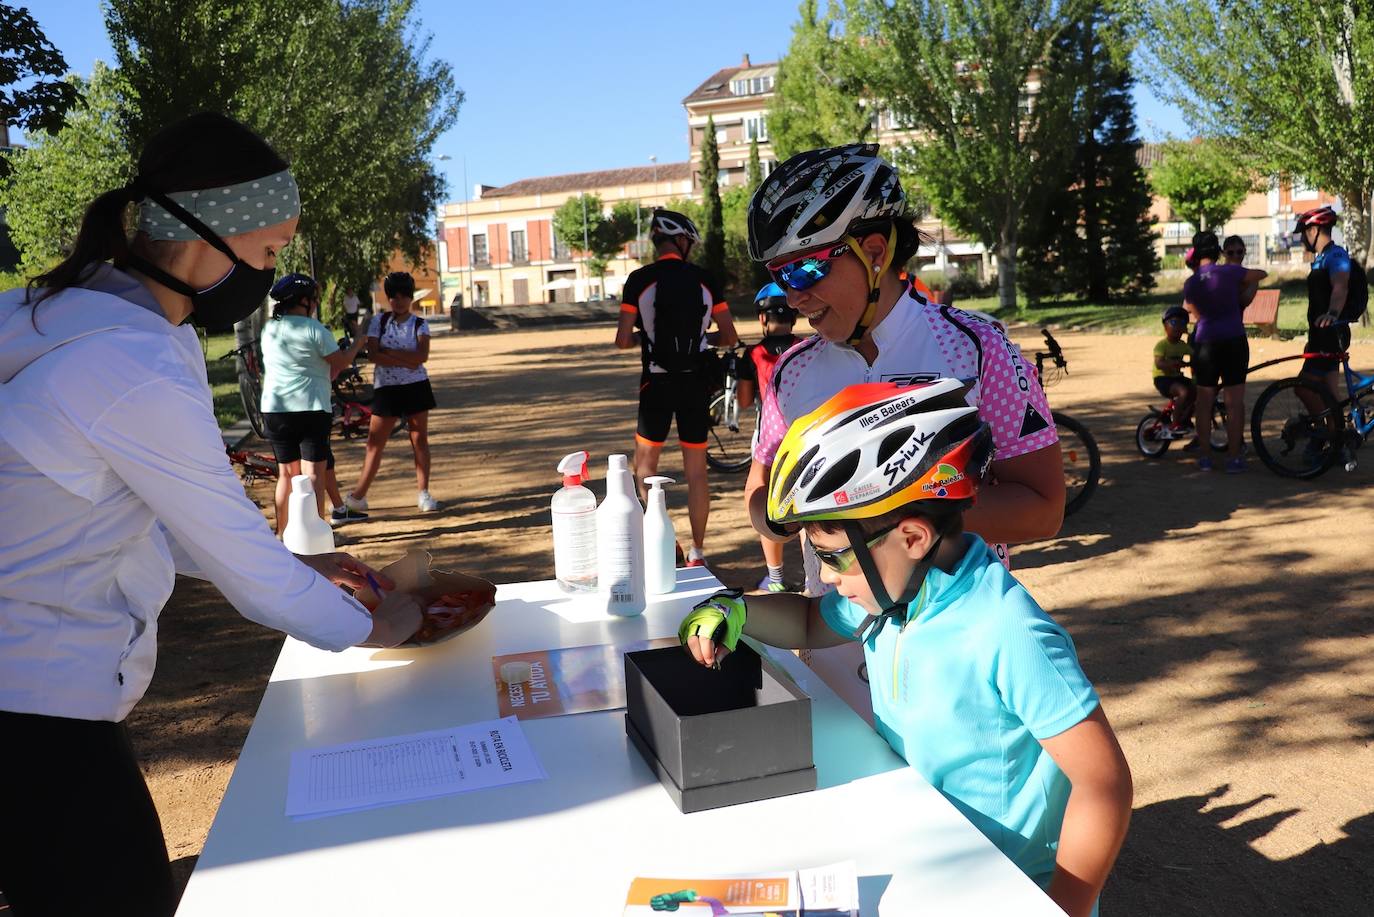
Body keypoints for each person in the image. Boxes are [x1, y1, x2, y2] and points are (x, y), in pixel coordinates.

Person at [0, 112, 423, 917]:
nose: (270, 273)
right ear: (205, 238)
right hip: (35, 704)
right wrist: (382, 625)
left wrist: (298, 565)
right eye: (266, 255)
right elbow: (245, 571)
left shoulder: (56, 309)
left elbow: (141, 512)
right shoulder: (135, 362)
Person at [678, 382, 1132, 917]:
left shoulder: (1006, 630)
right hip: (928, 855)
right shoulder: (895, 598)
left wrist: (1066, 907)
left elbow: (1104, 783)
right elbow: (805, 620)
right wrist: (737, 609)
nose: (825, 575)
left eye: (835, 556)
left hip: (1004, 885)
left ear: (913, 537)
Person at [745, 144, 1063, 585]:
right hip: (833, 630)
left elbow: (1043, 508)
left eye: (803, 271)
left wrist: (889, 515)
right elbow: (760, 495)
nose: (792, 297)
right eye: (779, 276)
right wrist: (779, 516)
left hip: (951, 631)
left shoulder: (978, 348)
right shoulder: (791, 372)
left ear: (875, 252)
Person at [615, 209, 738, 567]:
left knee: (645, 467)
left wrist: (649, 338)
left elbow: (622, 339)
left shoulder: (638, 280)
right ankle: (698, 552)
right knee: (696, 472)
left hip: (655, 383)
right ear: (682, 241)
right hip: (694, 383)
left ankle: (662, 537)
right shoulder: (704, 279)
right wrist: (701, 339)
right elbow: (729, 336)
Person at [260, 272, 366, 533]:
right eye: (314, 299)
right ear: (304, 301)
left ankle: (283, 536)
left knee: (286, 475)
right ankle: (315, 538)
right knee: (312, 476)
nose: (316, 304)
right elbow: (340, 363)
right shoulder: (315, 329)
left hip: (275, 409)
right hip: (311, 408)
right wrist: (358, 343)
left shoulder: (269, 329)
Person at [344, 270, 439, 514]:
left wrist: (391, 353)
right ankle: (359, 495)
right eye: (394, 297)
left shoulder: (420, 324)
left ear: (411, 297)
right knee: (375, 443)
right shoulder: (379, 322)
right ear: (388, 298)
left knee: (419, 440)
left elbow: (422, 356)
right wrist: (406, 359)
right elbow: (374, 355)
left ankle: (424, 492)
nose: (399, 301)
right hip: (387, 388)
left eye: (404, 296)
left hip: (416, 386)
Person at [736, 282, 803, 591]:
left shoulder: (753, 354)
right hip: (806, 435)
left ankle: (775, 578)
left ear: (762, 319)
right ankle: (814, 573)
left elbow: (746, 401)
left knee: (769, 504)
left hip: (769, 440)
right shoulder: (806, 347)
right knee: (809, 503)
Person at [1182, 230, 1267, 473]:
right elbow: (1261, 273)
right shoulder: (1230, 271)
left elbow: (1193, 312)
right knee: (1234, 402)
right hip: (1234, 340)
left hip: (1205, 342)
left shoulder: (1191, 282)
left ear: (1196, 253)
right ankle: (1233, 457)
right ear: (1218, 251)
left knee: (1204, 402)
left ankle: (1206, 457)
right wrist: (1241, 284)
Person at [1293, 205, 1369, 405]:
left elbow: (1340, 285)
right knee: (1329, 391)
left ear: (1313, 230)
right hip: (1324, 335)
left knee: (1303, 388)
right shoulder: (1323, 258)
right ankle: (1339, 433)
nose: (1301, 239)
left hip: (1330, 334)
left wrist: (1333, 313)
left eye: (1303, 233)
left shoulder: (1334, 256)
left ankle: (1325, 432)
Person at [1153, 305, 1196, 435]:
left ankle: (1185, 418)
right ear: (1165, 326)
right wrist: (1173, 364)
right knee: (1183, 392)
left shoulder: (1183, 346)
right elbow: (1159, 363)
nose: (1177, 326)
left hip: (1176, 378)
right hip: (1163, 379)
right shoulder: (1162, 345)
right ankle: (1175, 424)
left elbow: (1195, 356)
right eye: (1173, 322)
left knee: (1196, 391)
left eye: (1182, 323)